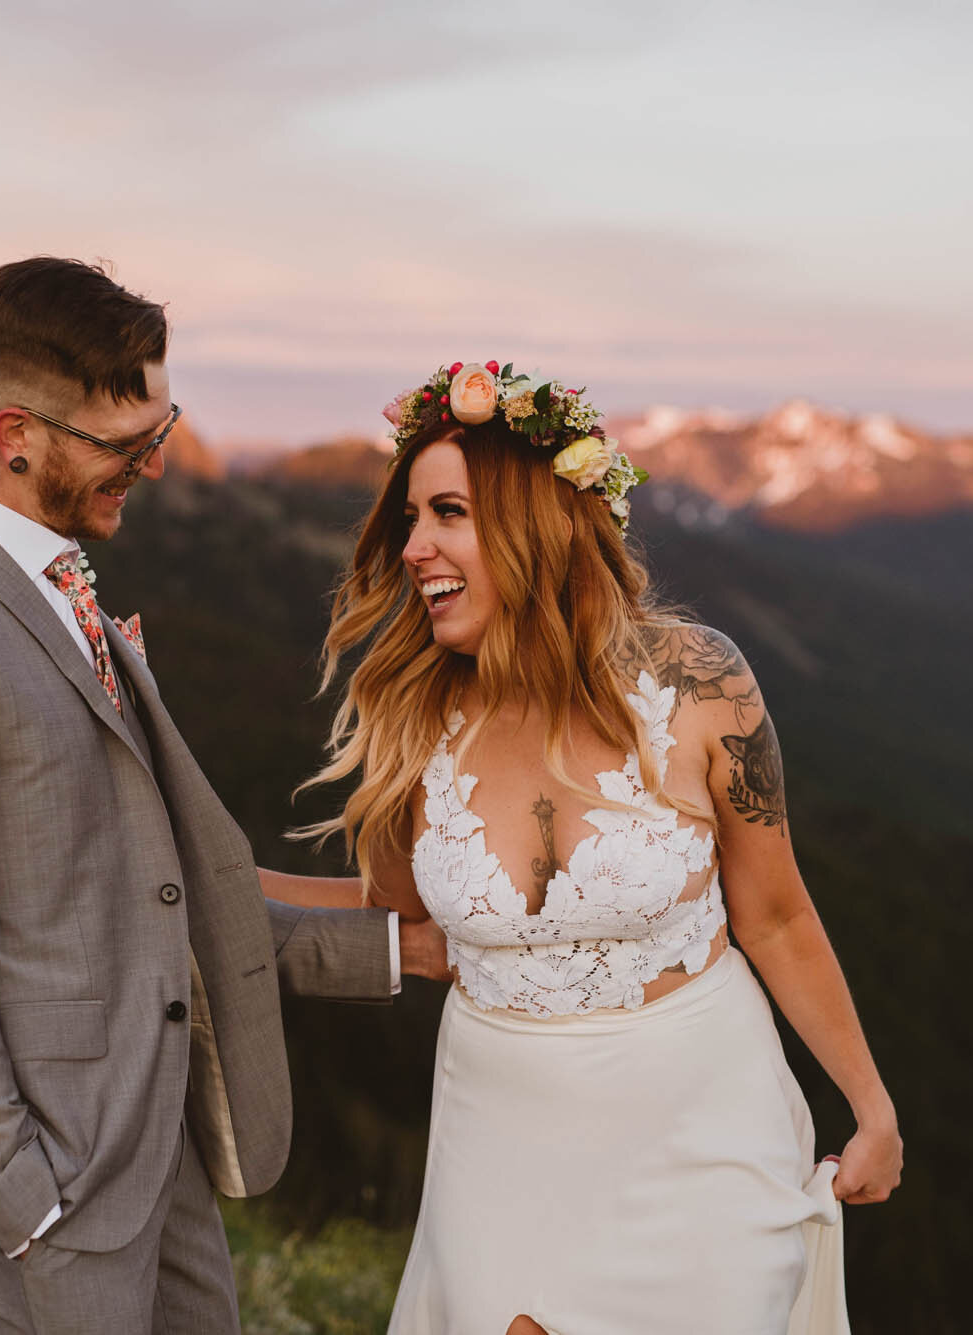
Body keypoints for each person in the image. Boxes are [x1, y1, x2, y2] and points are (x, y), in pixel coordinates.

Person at [0, 256, 448, 1334]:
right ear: (17, 434)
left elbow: (146, 896)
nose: (153, 465)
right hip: (51, 1191)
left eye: (162, 426)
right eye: (123, 444)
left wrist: (401, 950)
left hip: (158, 1152)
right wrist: (18, 1202)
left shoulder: (47, 579)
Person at [287, 360, 902, 1333]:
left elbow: (775, 915)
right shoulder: (416, 717)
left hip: (703, 1127)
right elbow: (396, 916)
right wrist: (202, 880)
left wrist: (871, 1107)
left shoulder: (700, 682)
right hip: (499, 1140)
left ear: (533, 520)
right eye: (408, 520)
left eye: (446, 512)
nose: (412, 548)